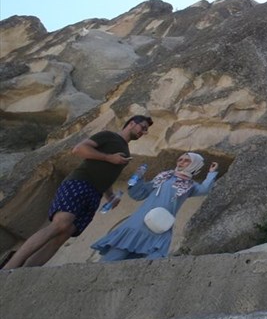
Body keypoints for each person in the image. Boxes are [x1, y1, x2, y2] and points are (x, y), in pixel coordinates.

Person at [1, 115, 153, 269]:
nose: (144, 132)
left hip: (94, 194)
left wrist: (110, 196)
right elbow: (79, 149)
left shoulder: (126, 152)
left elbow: (104, 175)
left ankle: (23, 273)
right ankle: (9, 268)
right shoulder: (108, 136)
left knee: (62, 237)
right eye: (143, 127)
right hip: (79, 182)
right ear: (131, 123)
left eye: (146, 130)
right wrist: (108, 157)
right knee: (60, 224)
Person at [91, 152, 218, 261]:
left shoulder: (190, 185)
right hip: (141, 220)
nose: (181, 162)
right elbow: (140, 193)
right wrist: (138, 179)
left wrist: (211, 173)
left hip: (162, 224)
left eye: (187, 160)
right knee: (118, 253)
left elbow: (205, 189)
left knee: (155, 256)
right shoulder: (164, 176)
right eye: (180, 159)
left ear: (195, 164)